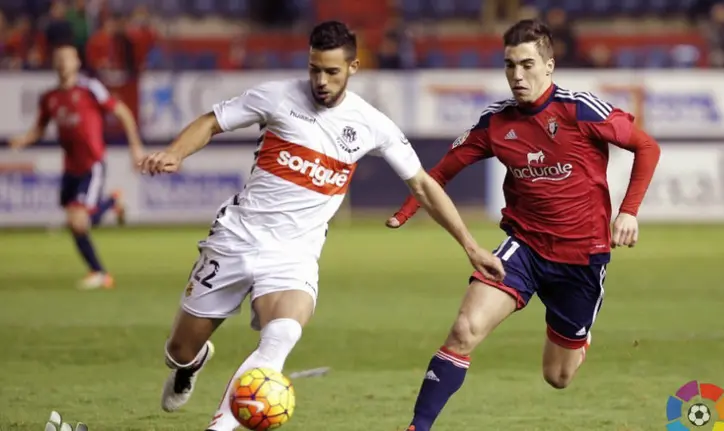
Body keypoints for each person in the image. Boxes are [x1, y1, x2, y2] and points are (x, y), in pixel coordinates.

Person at [136, 21, 505, 431]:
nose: (321, 81)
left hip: (294, 254)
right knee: (179, 349)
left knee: (282, 336)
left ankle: (220, 427)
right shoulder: (276, 96)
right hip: (237, 238)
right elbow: (211, 121)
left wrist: (470, 246)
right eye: (315, 69)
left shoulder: (370, 123)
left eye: (332, 71)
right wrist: (175, 153)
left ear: (353, 67)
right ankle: (191, 365)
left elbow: (422, 184)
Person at [385, 19, 661, 431]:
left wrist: (629, 211)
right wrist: (405, 212)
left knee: (558, 377)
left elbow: (646, 145)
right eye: (509, 65)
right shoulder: (496, 123)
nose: (517, 75)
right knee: (464, 329)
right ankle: (417, 427)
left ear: (549, 66)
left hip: (582, 259)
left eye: (528, 64)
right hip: (524, 249)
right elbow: (437, 174)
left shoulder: (579, 109)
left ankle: (577, 338)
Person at [8, 43, 145, 290]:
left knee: (78, 220)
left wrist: (135, 147)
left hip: (93, 163)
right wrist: (23, 139)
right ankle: (112, 203)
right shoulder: (50, 98)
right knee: (77, 219)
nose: (62, 63)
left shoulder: (90, 88)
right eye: (58, 58)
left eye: (67, 58)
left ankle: (100, 273)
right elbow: (39, 128)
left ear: (77, 62)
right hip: (69, 168)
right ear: (53, 63)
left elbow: (122, 112)